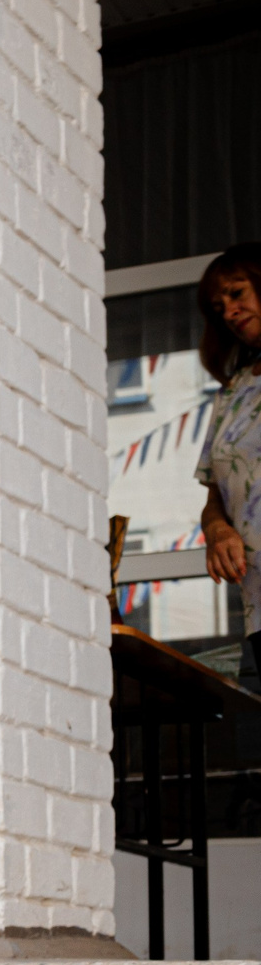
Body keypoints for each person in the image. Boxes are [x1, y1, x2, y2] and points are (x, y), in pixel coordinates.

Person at [197, 244, 261, 678]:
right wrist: (218, 530)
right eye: (219, 308)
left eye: (238, 293)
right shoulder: (232, 392)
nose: (230, 312)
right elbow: (214, 496)